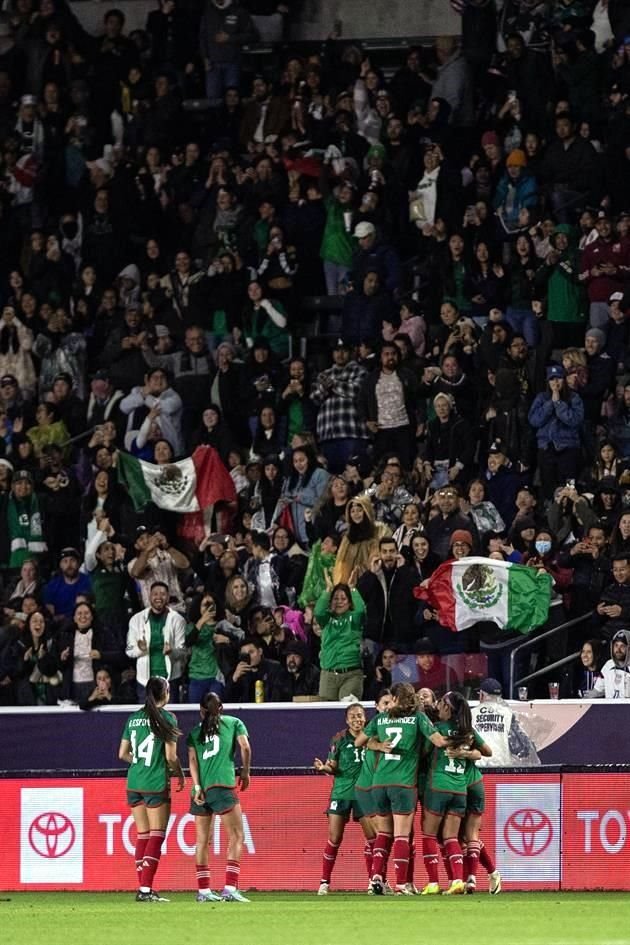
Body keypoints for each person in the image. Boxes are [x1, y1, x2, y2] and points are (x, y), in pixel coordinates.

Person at [361, 681, 446, 895]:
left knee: (384, 833)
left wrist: (379, 745)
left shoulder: (381, 718)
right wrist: (460, 738)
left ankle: (376, 879)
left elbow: (360, 741)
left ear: (396, 699)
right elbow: (438, 742)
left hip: (379, 783)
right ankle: (400, 885)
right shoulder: (418, 717)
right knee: (401, 836)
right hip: (403, 784)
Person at [118, 676, 185, 902]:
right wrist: (180, 773)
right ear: (165, 693)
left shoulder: (134, 718)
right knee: (156, 836)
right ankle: (145, 889)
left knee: (143, 835)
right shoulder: (168, 718)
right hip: (155, 783)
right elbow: (170, 756)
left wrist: (139, 763)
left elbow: (122, 754)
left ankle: (143, 887)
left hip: (134, 782)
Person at [187, 691, 252, 902]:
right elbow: (245, 747)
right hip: (222, 785)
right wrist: (245, 772)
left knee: (202, 841)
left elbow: (193, 762)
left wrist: (197, 787)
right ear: (221, 707)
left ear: (201, 711)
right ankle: (230, 888)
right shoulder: (234, 722)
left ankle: (204, 891)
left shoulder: (195, 732)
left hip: (201, 789)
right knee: (236, 836)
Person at [421, 691, 486, 896]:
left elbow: (423, 751)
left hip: (438, 786)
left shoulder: (438, 730)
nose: (438, 705)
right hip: (460, 790)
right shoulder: (466, 731)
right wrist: (466, 752)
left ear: (448, 708)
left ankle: (432, 882)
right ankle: (458, 880)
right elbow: (486, 752)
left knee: (430, 835)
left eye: (441, 702)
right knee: (451, 837)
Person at [314, 703, 376, 895]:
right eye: (353, 716)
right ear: (347, 720)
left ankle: (374, 882)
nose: (357, 719)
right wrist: (324, 768)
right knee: (334, 838)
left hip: (364, 793)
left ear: (365, 718)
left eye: (360, 715)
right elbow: (333, 766)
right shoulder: (339, 739)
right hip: (341, 793)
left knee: (373, 838)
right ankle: (324, 882)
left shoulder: (372, 737)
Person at [126, 581, 187, 701]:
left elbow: (184, 651)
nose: (159, 597)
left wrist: (172, 651)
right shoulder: (136, 620)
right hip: (145, 681)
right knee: (146, 718)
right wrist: (140, 649)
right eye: (155, 594)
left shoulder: (178, 620)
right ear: (149, 596)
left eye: (163, 594)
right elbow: (129, 651)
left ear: (168, 597)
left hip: (170, 680)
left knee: (168, 718)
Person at [314, 578, 366, 701]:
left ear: (349, 602)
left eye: (343, 599)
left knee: (347, 711)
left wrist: (353, 588)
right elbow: (319, 612)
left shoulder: (354, 619)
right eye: (336, 599)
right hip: (328, 675)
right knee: (327, 715)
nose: (339, 602)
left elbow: (360, 610)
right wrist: (328, 590)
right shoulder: (326, 620)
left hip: (351, 674)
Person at [470, 678, 540, 766]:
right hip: (502, 768)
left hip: (477, 766)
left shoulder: (471, 714)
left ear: (482, 695)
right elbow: (522, 748)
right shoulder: (508, 714)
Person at [585, 629, 630, 699]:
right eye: (616, 645)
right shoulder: (608, 665)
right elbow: (597, 691)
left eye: (622, 646)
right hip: (609, 709)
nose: (618, 649)